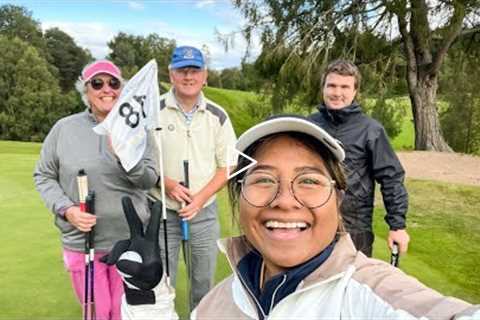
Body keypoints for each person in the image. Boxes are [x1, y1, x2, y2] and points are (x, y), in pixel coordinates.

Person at [111, 115, 479, 319]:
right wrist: (146, 298)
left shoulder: (373, 292)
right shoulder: (217, 303)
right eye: (264, 180)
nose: (285, 201)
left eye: (309, 180)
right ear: (239, 201)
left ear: (338, 199)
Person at [33, 60, 159, 320]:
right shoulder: (64, 129)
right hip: (82, 241)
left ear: (122, 89)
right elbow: (44, 175)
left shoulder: (138, 129)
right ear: (86, 90)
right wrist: (66, 210)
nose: (106, 89)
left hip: (130, 241)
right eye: (97, 83)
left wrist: (126, 158)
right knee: (98, 313)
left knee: (127, 313)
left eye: (113, 83)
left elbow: (149, 179)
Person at [148, 45, 237, 309]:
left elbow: (227, 166)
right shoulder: (154, 111)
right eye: (182, 70)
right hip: (162, 211)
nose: (189, 76)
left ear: (204, 75)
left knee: (202, 283)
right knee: (162, 284)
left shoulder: (217, 115)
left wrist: (200, 198)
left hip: (203, 213)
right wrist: (167, 183)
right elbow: (141, 161)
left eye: (194, 70)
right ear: (171, 74)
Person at [309, 59, 409, 257]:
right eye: (332, 85)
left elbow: (391, 178)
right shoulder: (308, 126)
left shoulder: (371, 130)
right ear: (323, 88)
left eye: (345, 87)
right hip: (311, 222)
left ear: (355, 92)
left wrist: (397, 226)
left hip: (354, 227)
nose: (337, 93)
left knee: (350, 284)